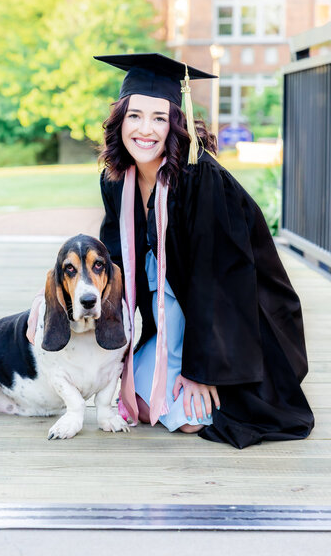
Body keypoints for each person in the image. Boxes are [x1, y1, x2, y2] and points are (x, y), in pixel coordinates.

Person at [93, 52, 314, 449]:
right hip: (173, 309)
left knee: (190, 420)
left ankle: (212, 381)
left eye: (160, 118)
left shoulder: (201, 179)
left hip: (239, 316)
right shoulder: (117, 181)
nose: (146, 130)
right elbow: (113, 261)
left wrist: (201, 370)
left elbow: (221, 279)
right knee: (139, 406)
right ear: (120, 120)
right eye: (135, 116)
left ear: (177, 123)